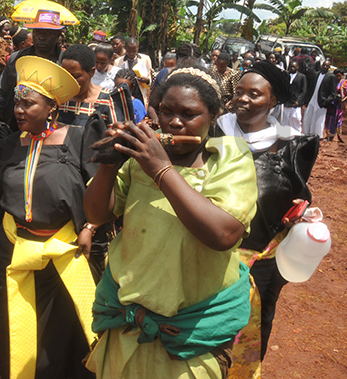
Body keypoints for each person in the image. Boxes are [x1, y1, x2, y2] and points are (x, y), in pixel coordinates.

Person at [84, 67, 257, 378]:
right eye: (167, 112)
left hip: (192, 329)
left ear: (213, 116)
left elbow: (223, 234)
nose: (175, 123)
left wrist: (161, 170)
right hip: (129, 322)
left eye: (189, 114)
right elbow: (97, 214)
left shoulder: (229, 157)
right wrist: (109, 163)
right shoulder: (141, 159)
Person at [0, 56, 98, 379]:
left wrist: (89, 227)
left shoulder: (77, 139)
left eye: (28, 104)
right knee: (12, 325)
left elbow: (98, 192)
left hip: (61, 250)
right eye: (17, 103)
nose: (19, 110)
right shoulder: (10, 143)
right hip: (13, 248)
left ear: (51, 107)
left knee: (58, 330)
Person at [211, 61, 319, 375]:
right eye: (238, 92)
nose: (242, 99)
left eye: (254, 94)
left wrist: (296, 215)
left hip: (262, 263)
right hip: (210, 252)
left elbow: (297, 197)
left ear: (272, 101)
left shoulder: (292, 146)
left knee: (253, 328)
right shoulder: (212, 132)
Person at [58, 44, 135, 280]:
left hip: (95, 191)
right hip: (60, 193)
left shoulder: (109, 102)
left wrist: (93, 225)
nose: (69, 81)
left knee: (92, 270)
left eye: (76, 76)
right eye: (64, 75)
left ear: (92, 72)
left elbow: (121, 155)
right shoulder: (55, 100)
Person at [0, 10, 65, 132]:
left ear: (58, 35)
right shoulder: (17, 59)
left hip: (54, 131)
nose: (41, 37)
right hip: (16, 128)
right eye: (38, 32)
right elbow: (1, 94)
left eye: (48, 33)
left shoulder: (65, 63)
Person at [302, 59, 336, 138]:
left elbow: (333, 92)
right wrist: (307, 99)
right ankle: (307, 134)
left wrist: (326, 102)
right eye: (324, 65)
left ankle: (316, 136)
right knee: (307, 117)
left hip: (321, 102)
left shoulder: (331, 77)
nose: (325, 67)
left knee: (319, 120)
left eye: (327, 65)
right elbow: (310, 87)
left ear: (329, 67)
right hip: (312, 99)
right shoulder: (316, 74)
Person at [271, 60, 308, 132]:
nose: (292, 68)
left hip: (295, 103)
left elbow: (303, 91)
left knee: (295, 119)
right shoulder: (286, 75)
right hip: (286, 102)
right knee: (284, 120)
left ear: (297, 67)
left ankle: (297, 134)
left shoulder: (302, 77)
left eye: (294, 67)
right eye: (291, 67)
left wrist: (298, 101)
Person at [324, 69, 347, 142]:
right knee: (330, 119)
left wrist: (342, 99)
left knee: (338, 119)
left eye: (339, 76)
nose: (338, 77)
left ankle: (338, 135)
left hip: (339, 105)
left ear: (342, 76)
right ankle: (329, 135)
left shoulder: (345, 83)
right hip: (331, 103)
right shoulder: (332, 81)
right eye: (336, 76)